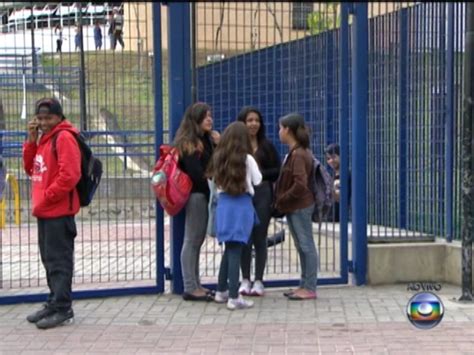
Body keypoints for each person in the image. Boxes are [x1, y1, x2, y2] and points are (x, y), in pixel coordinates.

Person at [22, 98, 82, 329]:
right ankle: (53, 300)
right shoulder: (44, 140)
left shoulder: (64, 137)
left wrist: (48, 196)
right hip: (45, 210)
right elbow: (30, 168)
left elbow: (70, 175)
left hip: (57, 210)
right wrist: (31, 140)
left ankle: (63, 307)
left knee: (59, 260)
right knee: (48, 259)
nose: (44, 122)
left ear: (59, 117)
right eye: (40, 118)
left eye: (48, 118)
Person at [208, 122, 262, 310]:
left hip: (224, 206)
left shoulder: (219, 157)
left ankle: (221, 290)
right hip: (241, 205)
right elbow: (258, 179)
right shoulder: (247, 159)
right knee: (236, 249)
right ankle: (233, 296)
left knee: (229, 247)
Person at [173, 102, 219, 301]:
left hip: (204, 195)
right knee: (192, 240)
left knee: (197, 241)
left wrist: (219, 143)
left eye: (210, 115)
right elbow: (196, 174)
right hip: (196, 196)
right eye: (205, 116)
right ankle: (190, 286)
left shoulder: (207, 140)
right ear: (195, 119)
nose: (209, 119)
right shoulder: (189, 142)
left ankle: (196, 284)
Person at [236, 107, 280, 297]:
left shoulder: (267, 145)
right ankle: (245, 279)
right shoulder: (236, 146)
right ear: (242, 123)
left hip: (263, 194)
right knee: (244, 238)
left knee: (260, 237)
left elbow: (277, 170)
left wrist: (260, 176)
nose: (254, 123)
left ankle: (259, 280)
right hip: (243, 195)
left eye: (257, 120)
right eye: (249, 120)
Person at [274, 113, 318, 300]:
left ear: (288, 130)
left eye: (281, 128)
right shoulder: (297, 152)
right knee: (302, 245)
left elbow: (300, 183)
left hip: (300, 205)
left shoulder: (299, 154)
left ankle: (309, 287)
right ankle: (304, 284)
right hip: (295, 206)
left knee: (306, 245)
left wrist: (284, 197)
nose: (279, 132)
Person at [324, 143, 351, 222]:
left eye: (333, 157)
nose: (331, 161)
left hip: (340, 219)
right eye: (328, 158)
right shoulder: (332, 176)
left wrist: (328, 190)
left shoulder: (346, 175)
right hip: (330, 219)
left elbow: (340, 198)